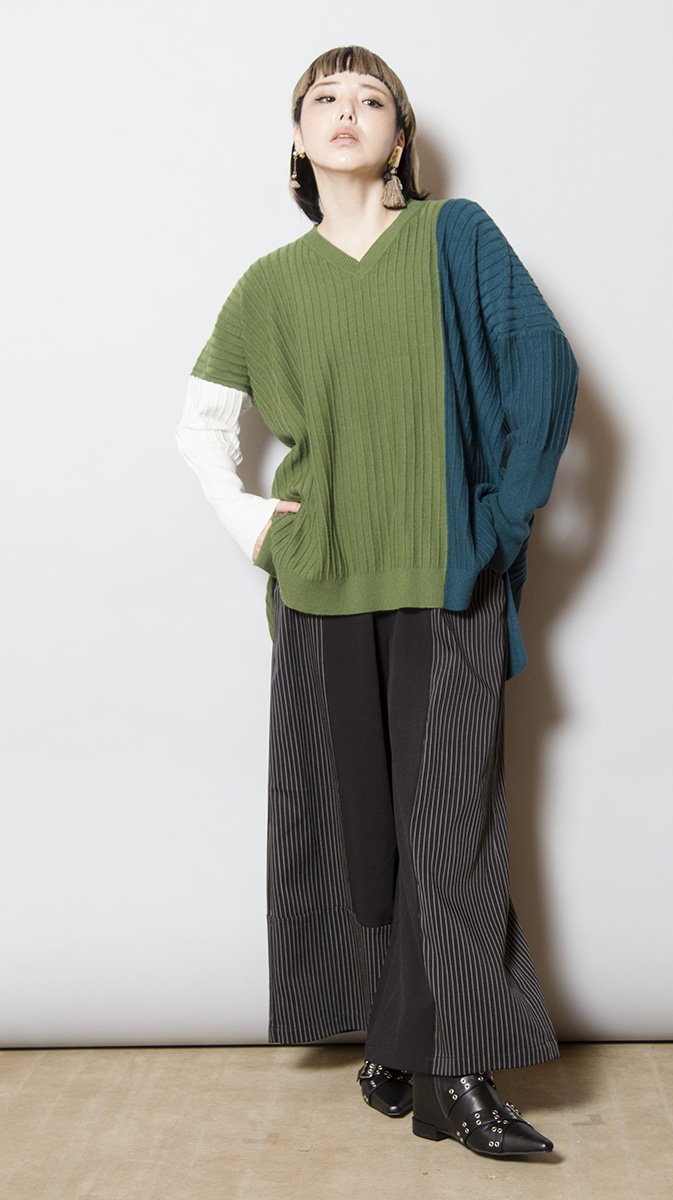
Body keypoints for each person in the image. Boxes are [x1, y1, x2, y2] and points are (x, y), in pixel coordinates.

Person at [176, 44, 579, 1161]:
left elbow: (545, 369)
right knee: (363, 831)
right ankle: (394, 1044)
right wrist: (257, 525)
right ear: (299, 136)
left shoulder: (455, 239)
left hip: (445, 575)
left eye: (370, 99)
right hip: (321, 588)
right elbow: (200, 424)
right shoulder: (270, 284)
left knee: (449, 831)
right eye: (325, 98)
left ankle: (459, 1072)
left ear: (400, 136)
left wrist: (500, 523)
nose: (345, 111)